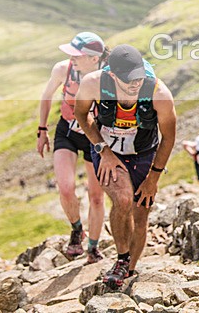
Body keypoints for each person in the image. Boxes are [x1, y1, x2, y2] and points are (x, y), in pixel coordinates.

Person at [74, 44, 176, 290]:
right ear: (111, 74)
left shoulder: (159, 93)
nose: (135, 84)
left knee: (140, 214)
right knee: (122, 199)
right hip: (108, 151)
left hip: (144, 152)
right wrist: (103, 151)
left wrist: (153, 178)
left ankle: (129, 270)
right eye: (128, 80)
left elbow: (169, 137)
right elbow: (82, 115)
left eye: (139, 78)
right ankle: (121, 260)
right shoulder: (93, 83)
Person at [37, 32, 108, 263]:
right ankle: (77, 229)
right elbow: (46, 96)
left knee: (96, 196)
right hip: (66, 130)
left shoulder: (106, 77)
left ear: (94, 59)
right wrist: (42, 129)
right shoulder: (62, 69)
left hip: (94, 137)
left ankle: (93, 247)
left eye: (77, 55)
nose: (71, 58)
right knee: (66, 188)